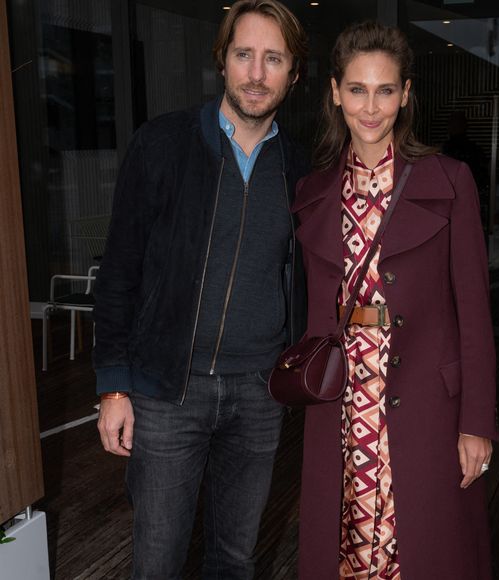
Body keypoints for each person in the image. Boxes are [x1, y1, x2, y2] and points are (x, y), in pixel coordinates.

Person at [93, 1, 308, 578]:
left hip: (260, 394)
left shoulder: (301, 166)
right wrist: (114, 385)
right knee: (157, 562)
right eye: (244, 55)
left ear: (293, 71)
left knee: (234, 560)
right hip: (168, 389)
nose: (257, 74)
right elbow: (119, 272)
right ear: (222, 60)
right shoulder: (162, 145)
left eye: (273, 59)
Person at [293, 22, 498, 580]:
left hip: (426, 401)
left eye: (385, 90)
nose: (370, 107)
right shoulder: (312, 193)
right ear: (335, 92)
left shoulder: (450, 181)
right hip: (342, 400)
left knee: (426, 551)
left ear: (406, 94)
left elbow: (475, 313)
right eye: (357, 89)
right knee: (348, 549)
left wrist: (476, 420)